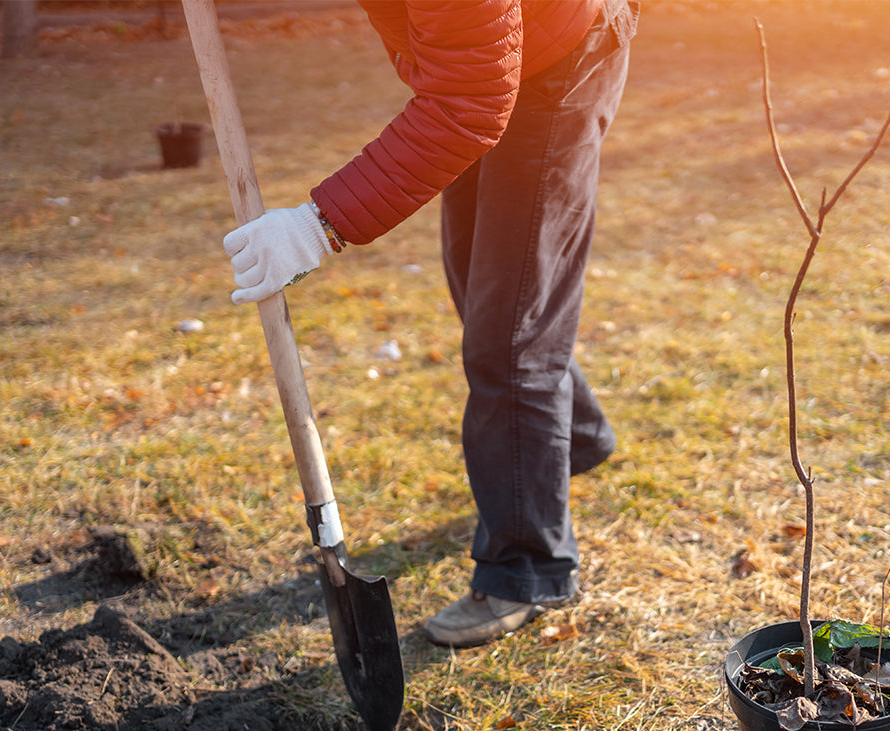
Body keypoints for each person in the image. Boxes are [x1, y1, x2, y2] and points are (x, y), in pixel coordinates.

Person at [222, 0, 639, 648]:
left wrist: (320, 224)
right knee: (481, 279)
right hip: (500, 53)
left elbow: (468, 102)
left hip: (560, 56)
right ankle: (573, 439)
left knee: (508, 330)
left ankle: (526, 569)